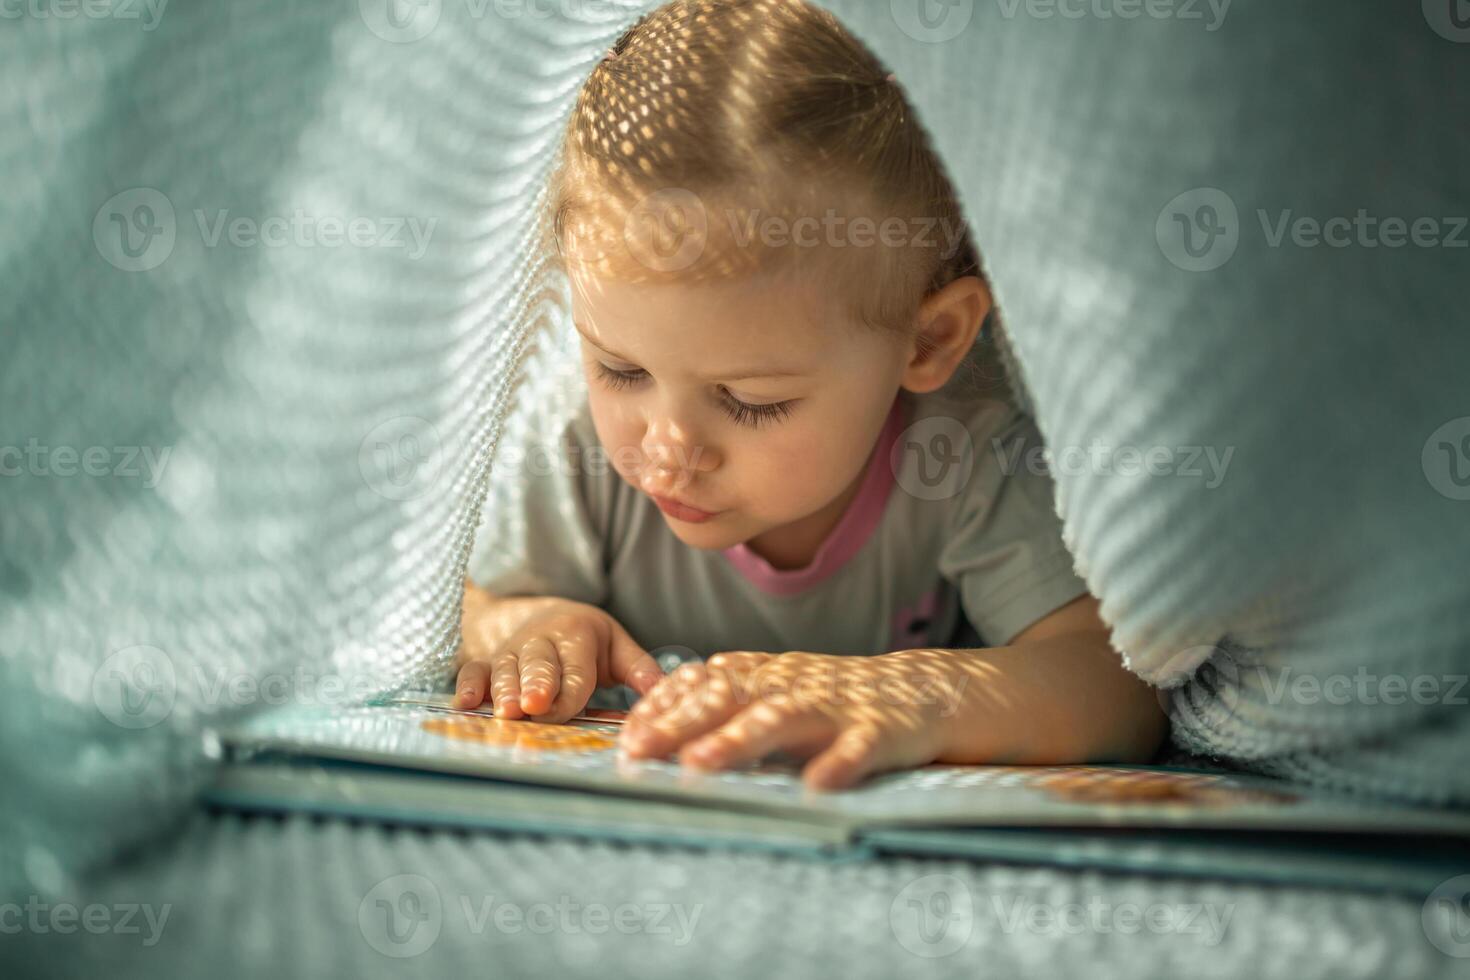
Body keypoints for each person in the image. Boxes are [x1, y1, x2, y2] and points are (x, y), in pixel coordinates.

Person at [455, 0, 1165, 789]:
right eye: (621, 371)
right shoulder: (576, 446)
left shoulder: (959, 455)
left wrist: (909, 694)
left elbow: (1116, 685)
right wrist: (527, 626)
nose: (666, 446)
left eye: (751, 400)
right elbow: (467, 607)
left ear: (927, 341)